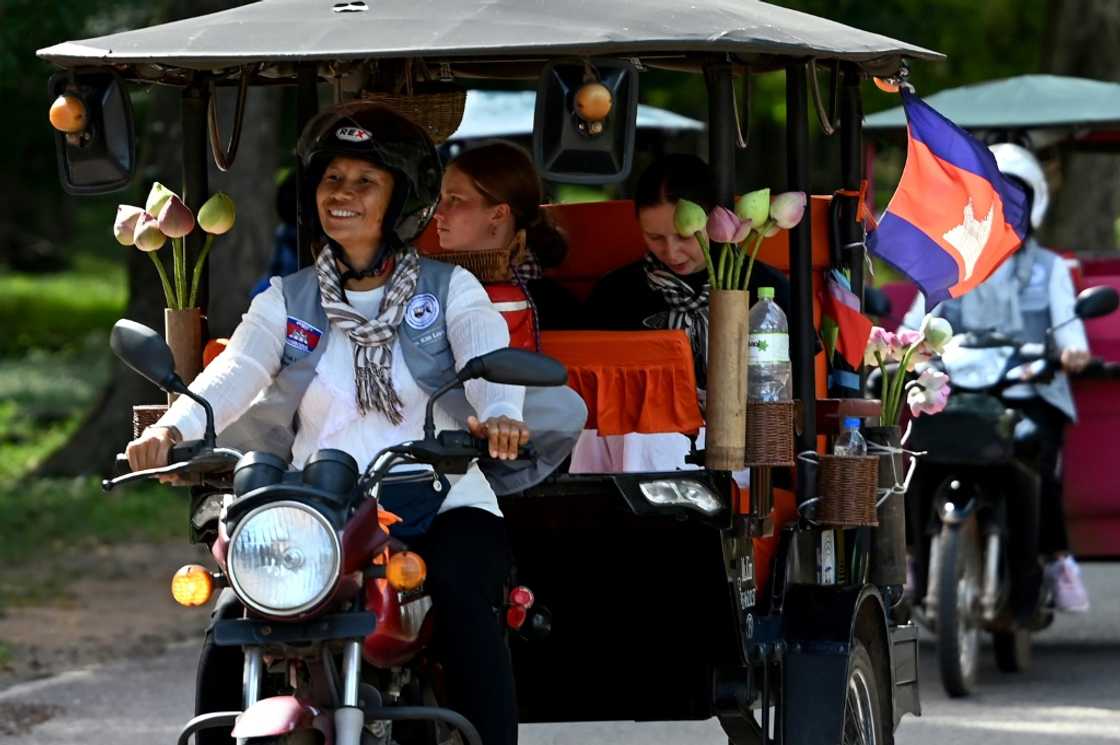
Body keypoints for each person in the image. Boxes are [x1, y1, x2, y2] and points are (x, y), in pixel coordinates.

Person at [126, 102, 543, 745]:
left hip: (440, 496)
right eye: (332, 180)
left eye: (364, 181)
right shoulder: (285, 298)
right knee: (232, 612)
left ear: (400, 198)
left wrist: (500, 417)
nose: (341, 194)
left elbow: (485, 356)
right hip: (319, 508)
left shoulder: (451, 289)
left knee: (464, 602)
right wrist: (171, 430)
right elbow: (233, 372)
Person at [902, 142, 1092, 613]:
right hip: (960, 390)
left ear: (1032, 204)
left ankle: (1051, 560)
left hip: (1027, 391)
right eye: (993, 193)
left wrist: (1072, 352)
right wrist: (906, 347)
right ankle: (908, 558)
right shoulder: (952, 259)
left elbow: (1072, 329)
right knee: (914, 452)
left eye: (1013, 196)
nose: (1003, 205)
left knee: (1040, 465)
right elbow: (916, 322)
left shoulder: (1050, 269)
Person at [576, 154, 791, 473]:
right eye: (655, 238)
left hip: (743, 438)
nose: (672, 252)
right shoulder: (615, 293)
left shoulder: (763, 289)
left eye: (685, 236)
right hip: (639, 441)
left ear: (715, 221)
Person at [434, 141, 580, 345]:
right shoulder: (426, 288)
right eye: (440, 198)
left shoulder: (554, 307)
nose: (437, 213)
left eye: (455, 199)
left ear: (498, 213)